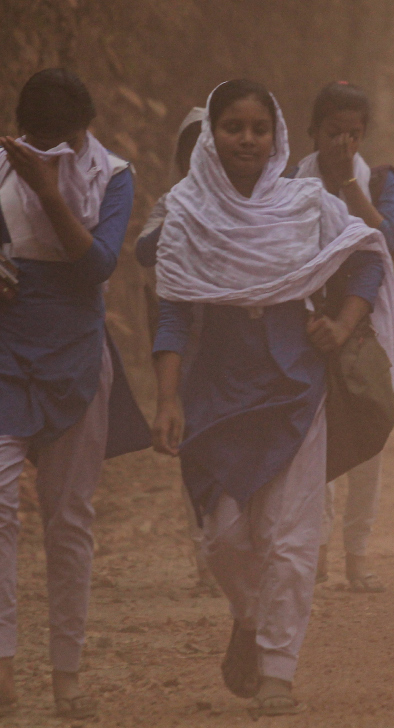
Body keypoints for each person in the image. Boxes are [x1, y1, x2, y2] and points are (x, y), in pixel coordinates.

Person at [151, 80, 394, 716]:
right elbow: (173, 308)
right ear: (211, 136)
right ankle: (250, 617)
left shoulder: (306, 204)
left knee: (290, 541)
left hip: (295, 389)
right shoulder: (186, 212)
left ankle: (277, 674)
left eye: (259, 129)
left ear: (277, 137)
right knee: (223, 540)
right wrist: (168, 398)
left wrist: (342, 324)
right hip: (216, 396)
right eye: (233, 127)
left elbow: (368, 256)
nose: (247, 139)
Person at [0, 68, 150, 720]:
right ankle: (0, 670)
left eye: (62, 141)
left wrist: (49, 191)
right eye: (37, 140)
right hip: (3, 347)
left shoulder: (114, 177)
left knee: (68, 519)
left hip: (74, 355)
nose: (49, 151)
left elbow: (97, 265)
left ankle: (67, 677)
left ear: (83, 133)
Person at [291, 81, 394, 593]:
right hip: (309, 326)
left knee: (369, 442)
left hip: (367, 324)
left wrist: (348, 183)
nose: (344, 144)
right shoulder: (290, 184)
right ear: (313, 131)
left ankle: (358, 552)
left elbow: (384, 240)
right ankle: (318, 551)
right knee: (317, 440)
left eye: (354, 134)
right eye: (334, 132)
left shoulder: (379, 181)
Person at [134, 105, 220, 595]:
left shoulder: (249, 202)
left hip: (233, 343)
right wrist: (185, 217)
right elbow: (144, 250)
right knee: (193, 448)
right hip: (185, 343)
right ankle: (205, 557)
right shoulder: (170, 202)